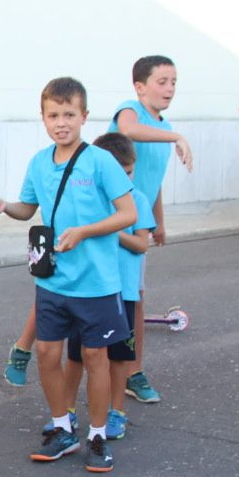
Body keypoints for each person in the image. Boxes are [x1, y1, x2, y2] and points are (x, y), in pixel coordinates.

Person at [0, 77, 136, 474]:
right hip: (51, 280)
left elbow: (128, 214)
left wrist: (85, 231)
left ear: (84, 116)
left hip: (97, 283)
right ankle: (63, 427)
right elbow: (27, 208)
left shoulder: (100, 160)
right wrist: (5, 206)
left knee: (94, 357)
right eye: (54, 115)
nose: (61, 122)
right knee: (48, 354)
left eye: (69, 114)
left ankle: (98, 435)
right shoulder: (38, 162)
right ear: (43, 118)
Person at [58, 133, 152, 445]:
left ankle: (116, 412)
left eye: (129, 172)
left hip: (121, 292)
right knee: (76, 355)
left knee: (118, 355)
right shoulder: (88, 196)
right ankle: (67, 411)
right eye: (119, 173)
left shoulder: (136, 199)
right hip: (87, 288)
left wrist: (110, 230)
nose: (125, 179)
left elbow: (141, 244)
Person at [109, 55, 192, 406]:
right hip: (105, 218)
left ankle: (132, 372)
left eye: (173, 81)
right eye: (162, 81)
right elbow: (127, 131)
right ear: (140, 87)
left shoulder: (162, 127)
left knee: (135, 300)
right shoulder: (130, 111)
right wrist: (176, 136)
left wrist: (158, 222)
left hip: (135, 225)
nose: (169, 88)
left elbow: (152, 183)